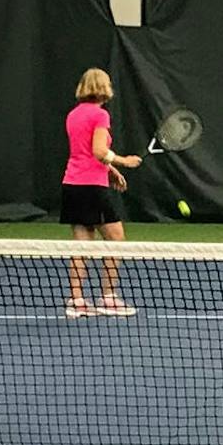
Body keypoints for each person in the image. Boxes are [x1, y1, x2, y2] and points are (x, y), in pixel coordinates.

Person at [60, 68, 137, 318]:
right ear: (104, 88)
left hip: (72, 184)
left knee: (82, 244)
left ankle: (77, 301)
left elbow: (83, 153)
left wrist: (111, 170)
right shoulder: (100, 115)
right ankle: (108, 297)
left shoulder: (73, 115)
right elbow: (98, 150)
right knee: (116, 239)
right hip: (92, 187)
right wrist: (124, 161)